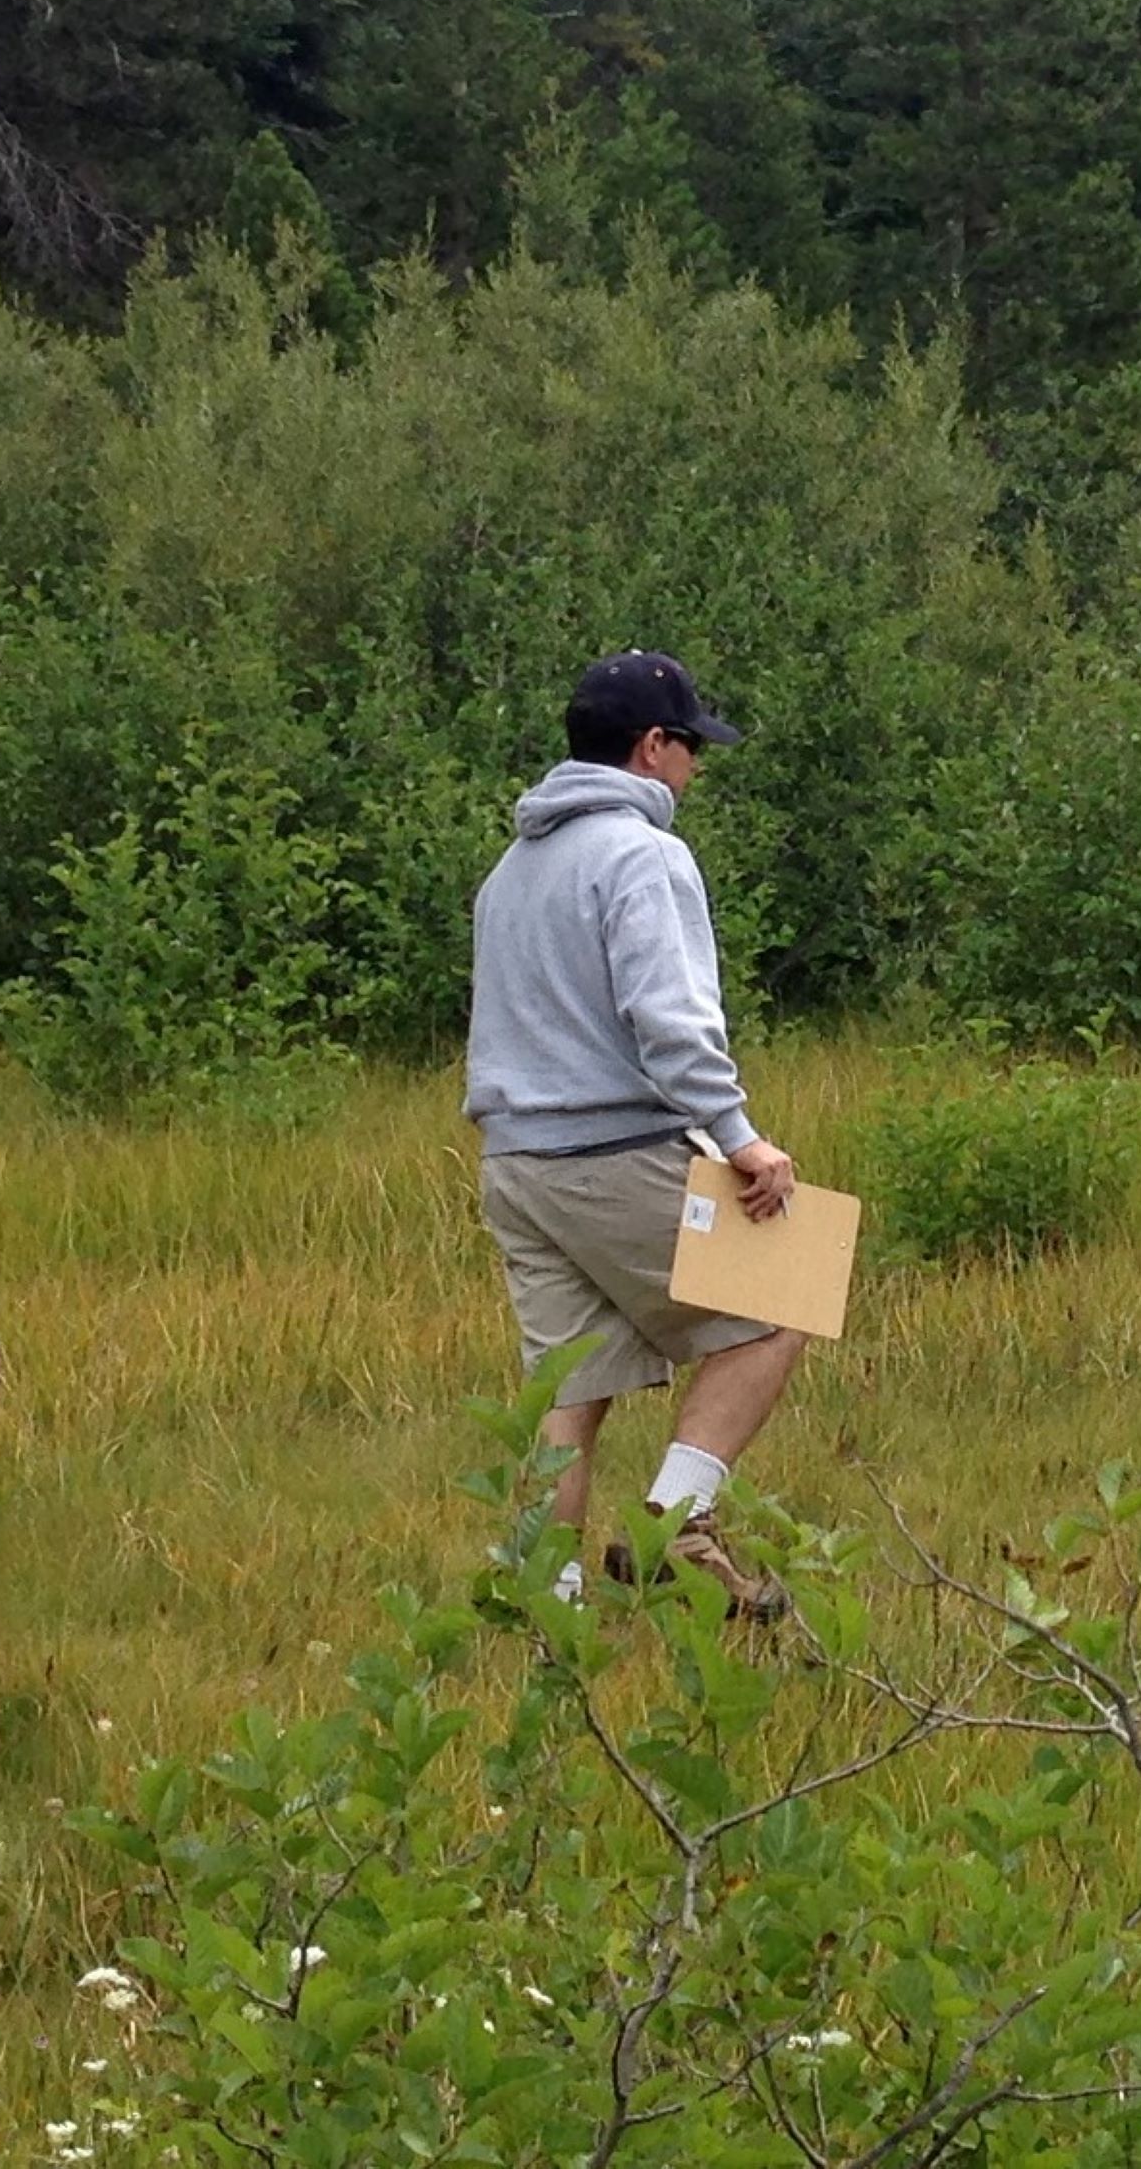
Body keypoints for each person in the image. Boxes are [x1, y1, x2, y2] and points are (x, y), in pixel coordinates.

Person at [465, 650, 811, 1621]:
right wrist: (741, 1139)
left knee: (570, 1386)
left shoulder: (512, 869)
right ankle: (677, 1528)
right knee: (787, 1293)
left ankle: (555, 1614)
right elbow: (670, 1020)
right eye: (692, 746)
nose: (698, 768)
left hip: (516, 1168)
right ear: (651, 748)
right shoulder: (643, 855)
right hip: (613, 1154)